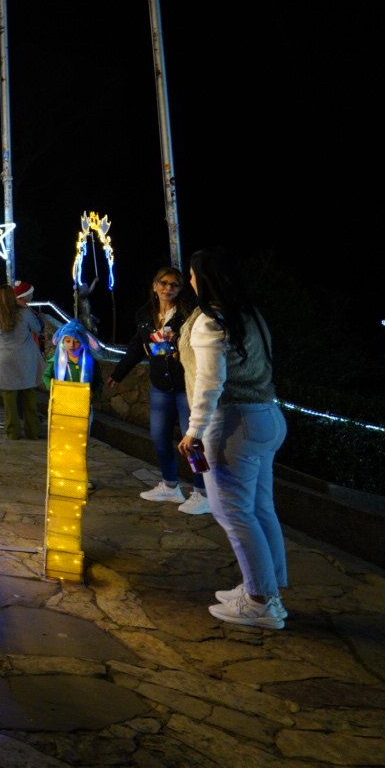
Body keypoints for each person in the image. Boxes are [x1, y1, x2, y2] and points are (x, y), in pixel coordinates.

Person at [177, 248, 287, 630]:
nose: (189, 280)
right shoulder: (249, 315)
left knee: (233, 512)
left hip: (233, 423)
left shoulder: (211, 321)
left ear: (204, 278)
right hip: (266, 416)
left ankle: (259, 601)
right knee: (260, 508)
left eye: (191, 275)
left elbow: (210, 382)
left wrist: (194, 430)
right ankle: (266, 590)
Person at [109, 267, 207, 514]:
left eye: (174, 284)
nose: (168, 288)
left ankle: (203, 493)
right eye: (163, 283)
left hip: (187, 386)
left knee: (193, 442)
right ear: (154, 286)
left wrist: (177, 346)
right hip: (161, 387)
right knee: (160, 438)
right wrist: (118, 374)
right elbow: (136, 347)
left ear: (180, 287)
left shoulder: (190, 314)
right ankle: (170, 486)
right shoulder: (145, 315)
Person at [0, 283, 43, 439]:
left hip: (4, 359)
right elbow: (36, 329)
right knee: (28, 395)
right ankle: (33, 430)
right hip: (25, 358)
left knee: (9, 399)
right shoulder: (25, 314)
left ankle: (13, 431)